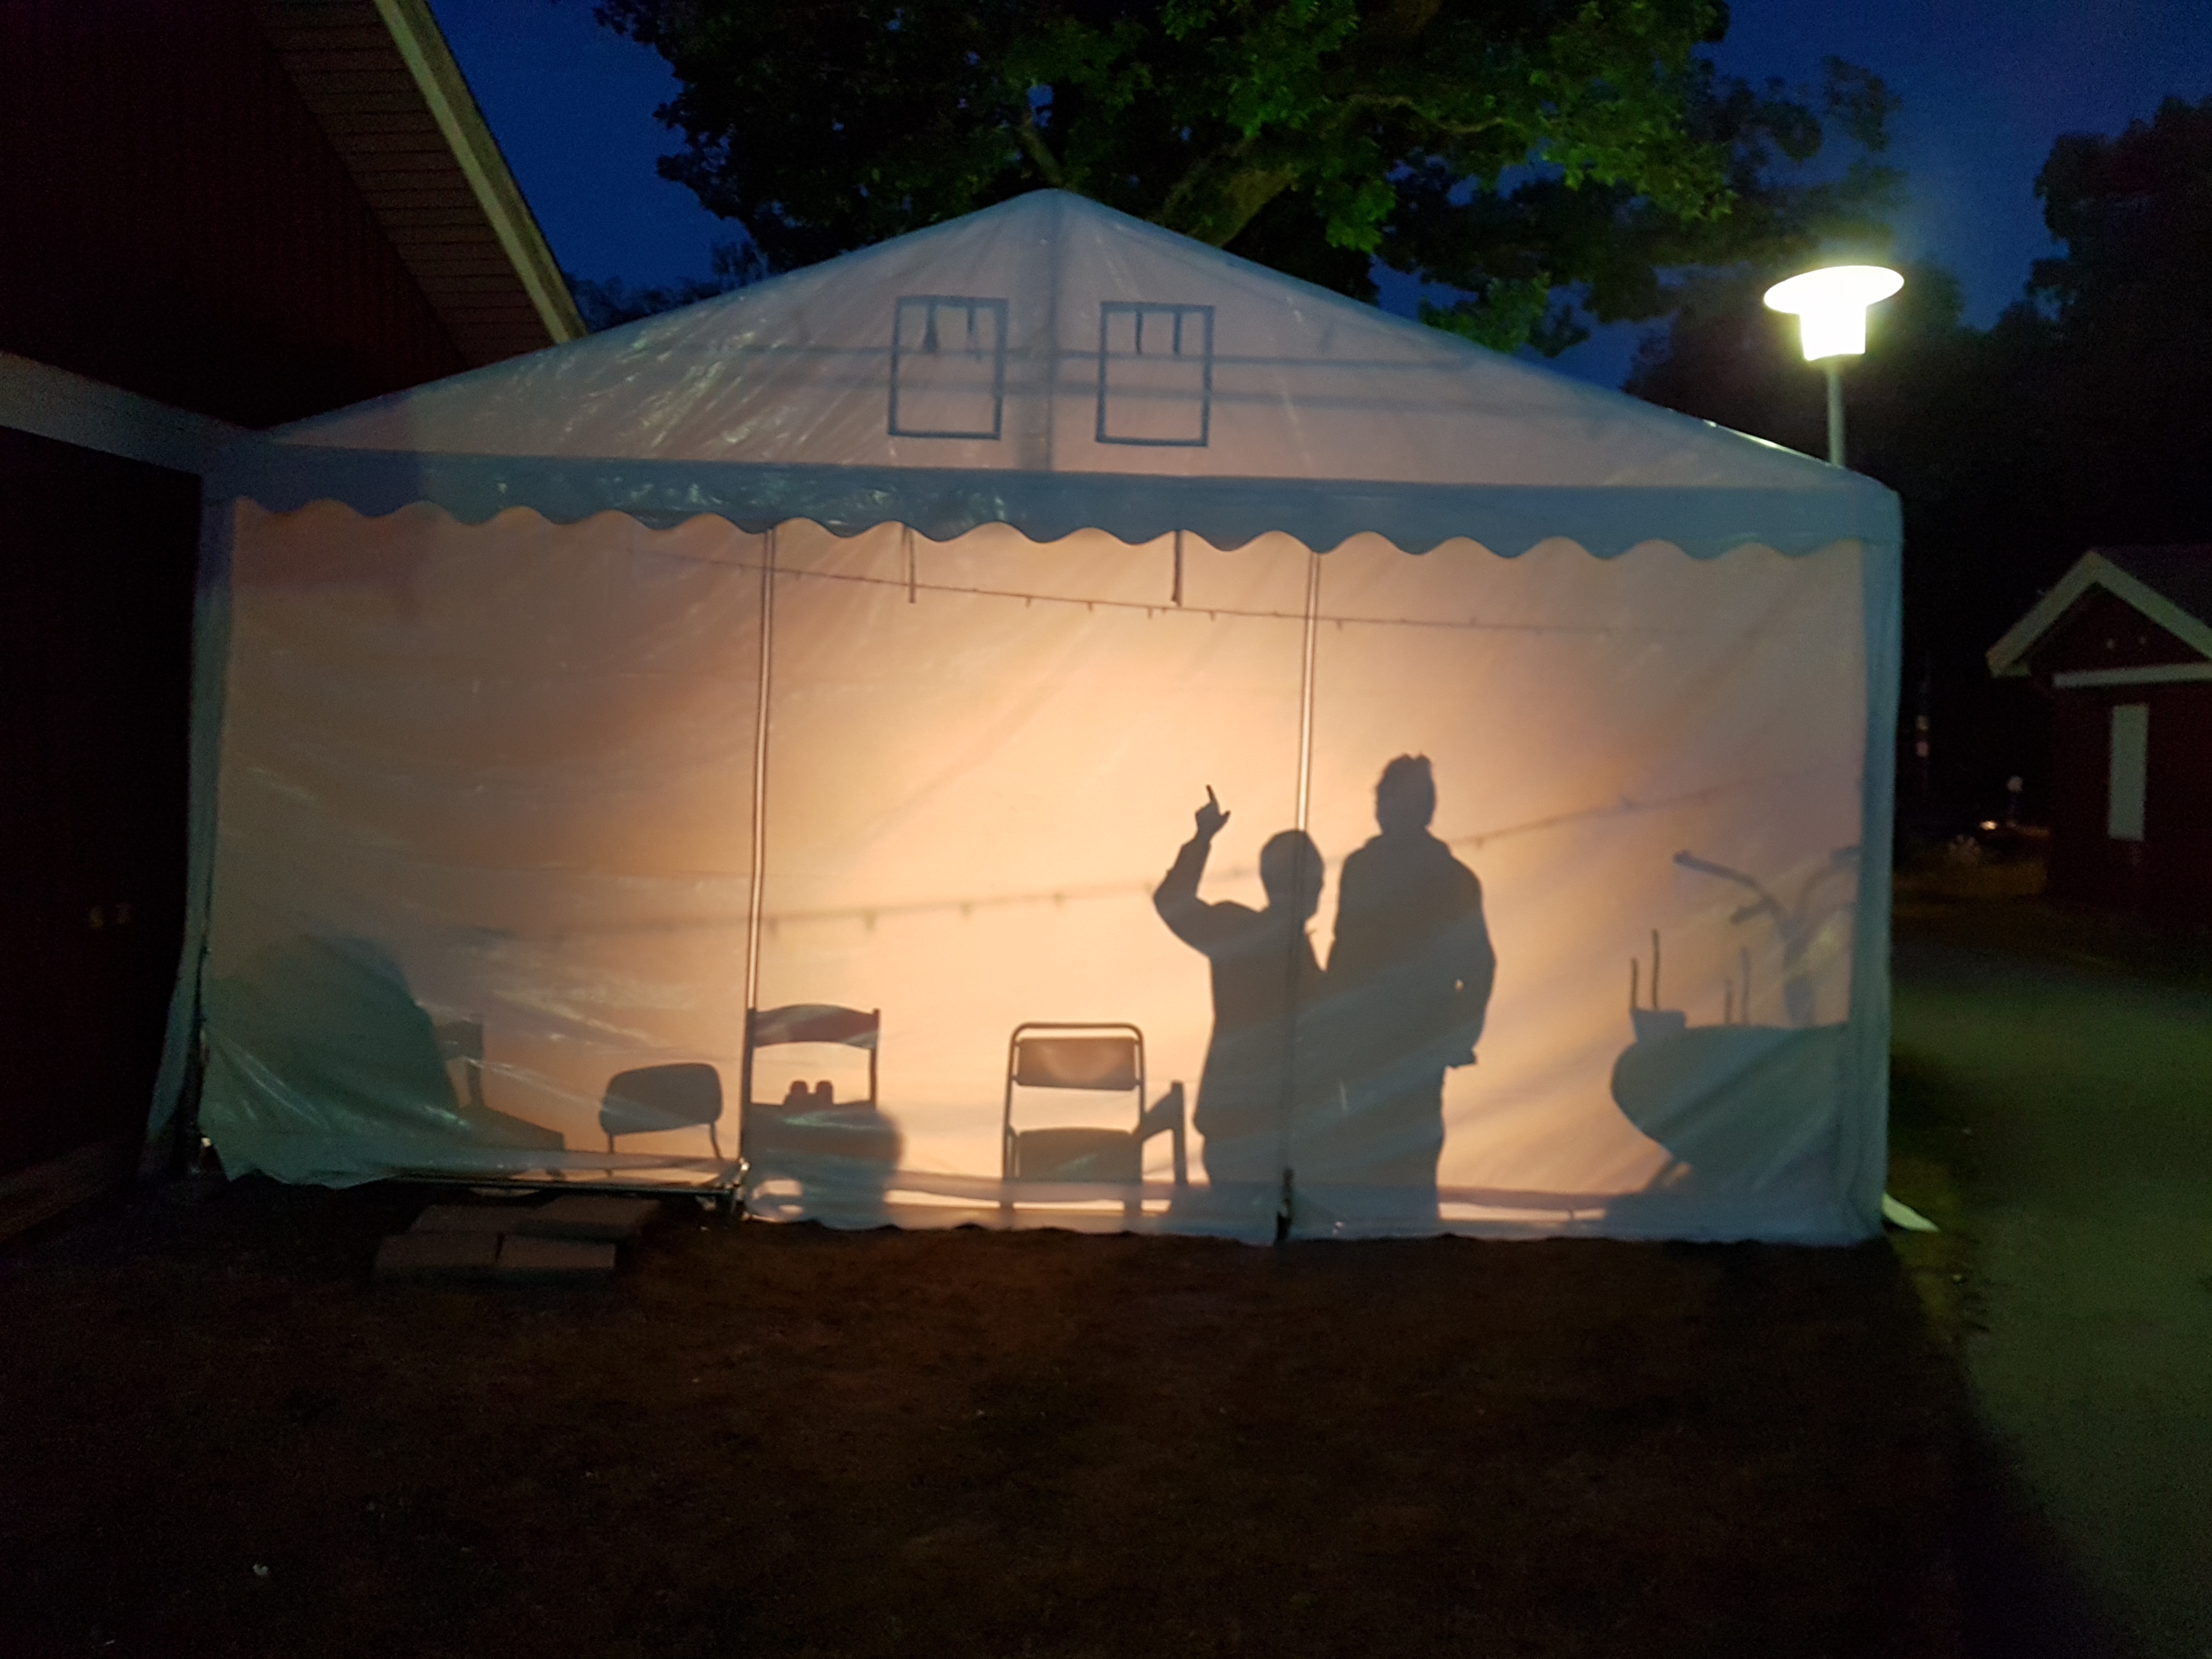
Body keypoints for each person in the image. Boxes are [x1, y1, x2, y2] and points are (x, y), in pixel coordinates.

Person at [1314, 755, 1494, 1206]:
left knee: (1385, 1153)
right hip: (1394, 1040)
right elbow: (1479, 966)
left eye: (1390, 801)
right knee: (1395, 1155)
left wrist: (1458, 1033)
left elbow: (1345, 953)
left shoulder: (1374, 870)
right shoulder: (1448, 878)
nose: (1384, 811)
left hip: (1390, 1040)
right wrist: (1459, 1033)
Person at [1153, 788, 1324, 1192]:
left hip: (1233, 1123)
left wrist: (1202, 839)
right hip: (1278, 1128)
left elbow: (1172, 900)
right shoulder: (1301, 956)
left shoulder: (1236, 931)